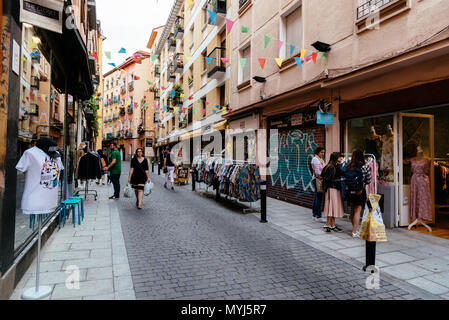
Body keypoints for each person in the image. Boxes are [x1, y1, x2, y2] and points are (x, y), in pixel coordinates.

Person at [342, 149, 371, 238]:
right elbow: (368, 179)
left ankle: (354, 228)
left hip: (350, 190)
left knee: (352, 210)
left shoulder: (348, 165)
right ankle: (354, 231)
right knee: (358, 211)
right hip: (360, 190)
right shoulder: (365, 166)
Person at [322, 152, 345, 232]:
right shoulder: (331, 167)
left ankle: (331, 225)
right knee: (331, 207)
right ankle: (328, 225)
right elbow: (329, 180)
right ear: (336, 158)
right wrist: (340, 179)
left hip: (333, 189)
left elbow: (342, 172)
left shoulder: (335, 166)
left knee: (332, 207)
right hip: (332, 189)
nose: (341, 158)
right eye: (340, 157)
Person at [311, 146, 326, 222]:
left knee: (316, 198)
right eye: (321, 152)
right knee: (318, 198)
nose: (323, 154)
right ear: (317, 152)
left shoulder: (319, 159)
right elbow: (317, 172)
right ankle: (318, 216)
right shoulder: (316, 159)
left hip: (317, 179)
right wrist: (324, 176)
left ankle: (314, 215)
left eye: (323, 152)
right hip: (318, 180)